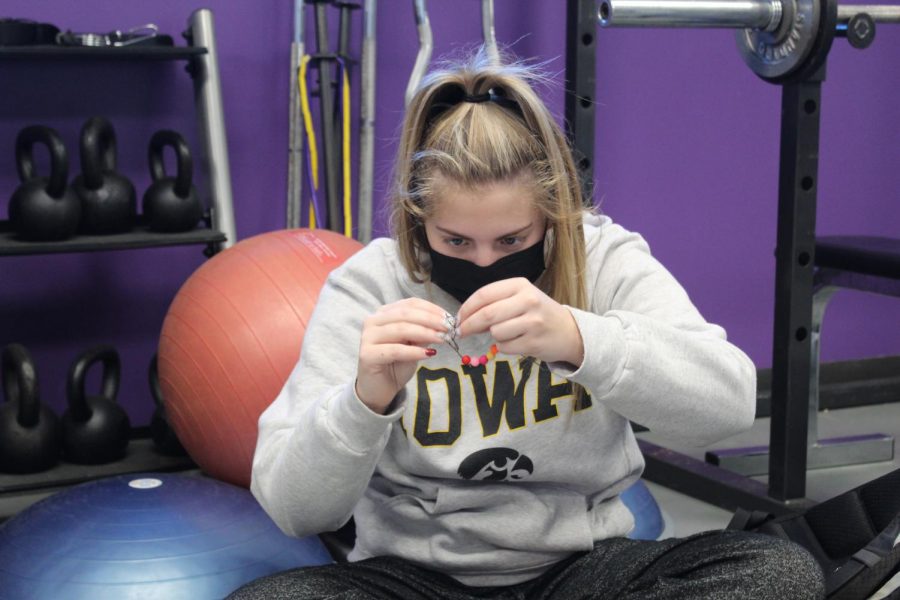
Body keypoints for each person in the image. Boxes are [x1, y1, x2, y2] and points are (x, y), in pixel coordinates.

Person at [229, 48, 825, 599]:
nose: (485, 262)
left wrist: (581, 340)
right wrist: (365, 398)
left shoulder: (603, 259)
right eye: (455, 240)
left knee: (780, 573)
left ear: (552, 215)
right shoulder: (370, 284)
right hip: (415, 578)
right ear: (417, 222)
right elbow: (295, 511)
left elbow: (729, 404)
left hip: (580, 570)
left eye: (512, 240)